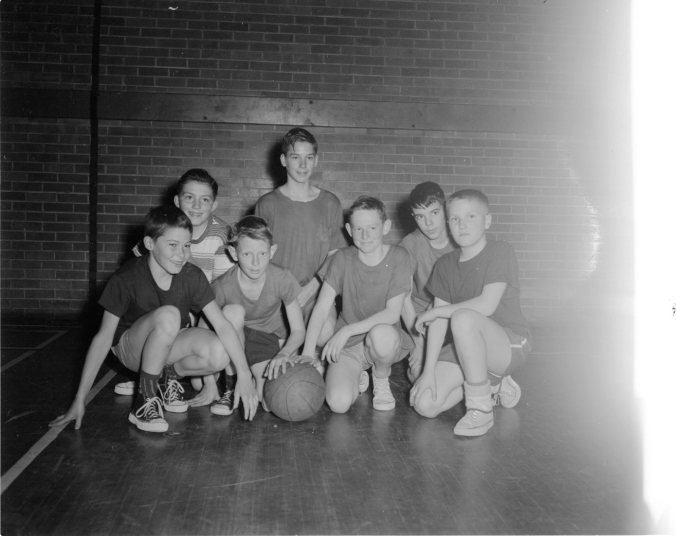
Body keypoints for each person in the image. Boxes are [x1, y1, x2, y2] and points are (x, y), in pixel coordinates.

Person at [49, 205, 258, 433]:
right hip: (131, 350)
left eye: (187, 245)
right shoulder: (126, 278)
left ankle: (167, 377)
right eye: (173, 245)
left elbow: (222, 325)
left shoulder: (192, 275)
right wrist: (79, 399)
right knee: (169, 315)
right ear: (149, 244)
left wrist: (244, 373)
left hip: (168, 342)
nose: (182, 254)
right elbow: (103, 338)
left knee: (219, 353)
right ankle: (144, 401)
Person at [409, 189, 531, 437]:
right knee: (425, 404)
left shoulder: (500, 251)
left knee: (462, 318)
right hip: (467, 347)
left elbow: (487, 305)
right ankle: (493, 383)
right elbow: (439, 323)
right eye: (455, 219)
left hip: (508, 344)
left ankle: (481, 409)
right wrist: (427, 372)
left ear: (487, 221)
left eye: (471, 217)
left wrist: (435, 312)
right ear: (448, 224)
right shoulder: (445, 264)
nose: (462, 225)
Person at [117, 168, 234, 401]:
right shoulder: (161, 229)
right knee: (161, 309)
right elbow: (141, 280)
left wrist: (210, 381)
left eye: (204, 200)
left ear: (214, 205)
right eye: (189, 197)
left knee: (202, 374)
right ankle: (147, 378)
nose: (196, 206)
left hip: (203, 309)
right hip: (167, 313)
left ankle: (163, 377)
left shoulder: (221, 236)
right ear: (177, 201)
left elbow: (217, 300)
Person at [300, 196, 414, 413]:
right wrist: (307, 351)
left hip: (383, 339)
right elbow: (321, 308)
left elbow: (392, 314)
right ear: (349, 231)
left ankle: (380, 377)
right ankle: (358, 373)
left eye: (372, 227)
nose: (365, 235)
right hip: (350, 345)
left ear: (385, 227)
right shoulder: (341, 258)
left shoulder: (399, 256)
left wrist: (346, 331)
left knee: (381, 335)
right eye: (358, 229)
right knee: (338, 404)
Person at [208, 215, 306, 415]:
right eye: (247, 254)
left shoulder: (282, 278)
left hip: (264, 340)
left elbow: (298, 330)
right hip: (233, 340)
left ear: (272, 251)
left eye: (262, 253)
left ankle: (252, 378)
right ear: (234, 253)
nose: (255, 263)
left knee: (270, 401)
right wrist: (208, 382)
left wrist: (284, 354)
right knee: (232, 312)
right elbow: (204, 329)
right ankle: (230, 385)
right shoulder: (222, 286)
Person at [255, 127, 346, 323]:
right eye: (295, 157)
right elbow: (257, 255)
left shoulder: (330, 203)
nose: (303, 165)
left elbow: (335, 255)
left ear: (316, 160)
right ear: (283, 160)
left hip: (316, 294)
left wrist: (310, 289)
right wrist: (285, 293)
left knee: (324, 331)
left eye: (309, 157)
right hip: (277, 295)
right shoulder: (267, 204)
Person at [398, 181, 454, 383]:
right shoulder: (410, 244)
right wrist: (418, 342)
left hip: (452, 314)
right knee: (419, 376)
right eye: (420, 216)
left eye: (434, 213)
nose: (428, 223)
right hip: (418, 320)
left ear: (445, 210)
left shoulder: (460, 239)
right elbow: (402, 298)